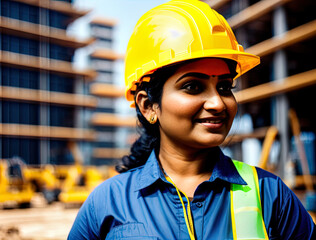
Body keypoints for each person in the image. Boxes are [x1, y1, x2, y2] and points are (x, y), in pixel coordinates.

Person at [68, 0, 315, 239]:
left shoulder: (270, 194)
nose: (218, 103)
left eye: (225, 87)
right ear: (148, 106)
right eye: (192, 86)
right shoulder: (107, 203)